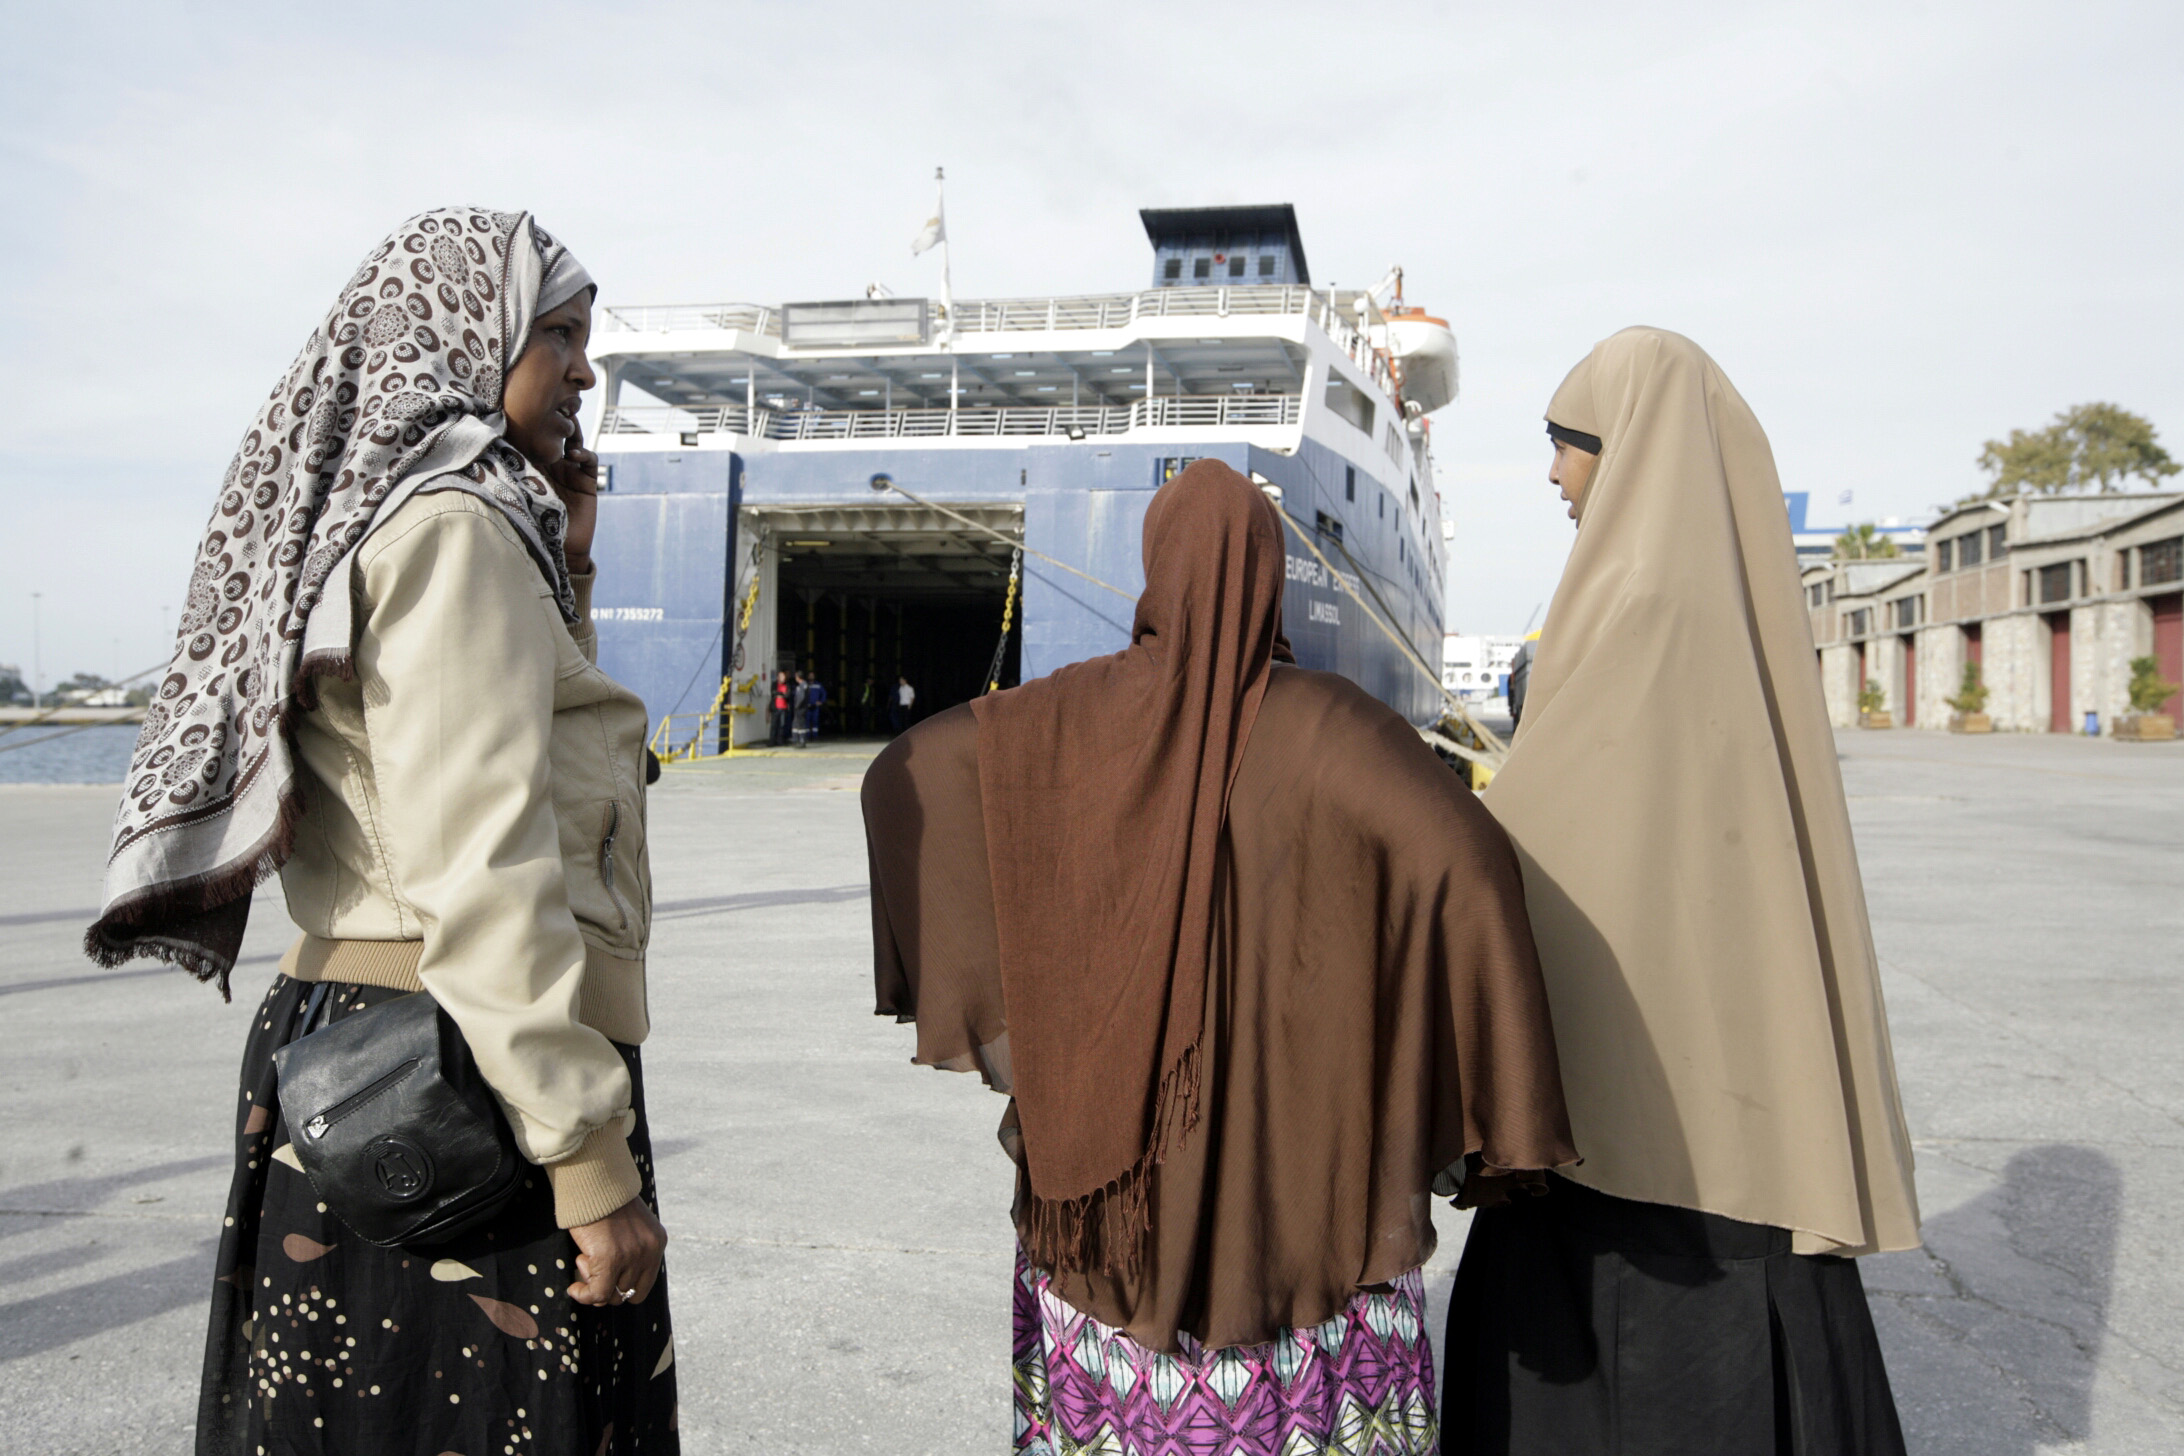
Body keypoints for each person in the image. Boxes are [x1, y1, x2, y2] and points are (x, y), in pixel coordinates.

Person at [84, 209, 676, 1455]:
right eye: (561, 334)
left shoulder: (416, 519)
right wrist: (587, 1162)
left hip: (386, 1048)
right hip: (456, 1070)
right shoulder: (455, 530)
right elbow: (483, 867)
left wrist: (567, 563)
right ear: (465, 333)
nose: (585, 369)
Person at [862, 460, 1577, 1456]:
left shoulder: (1062, 719)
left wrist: (1017, 983)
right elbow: (1474, 863)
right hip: (1305, 1198)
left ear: (1157, 566)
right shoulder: (1341, 732)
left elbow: (900, 777)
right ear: (1269, 573)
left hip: (1111, 1230)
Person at [1442, 328, 1920, 1455]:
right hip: (1738, 1074)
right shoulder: (1729, 605)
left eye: (1565, 444)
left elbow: (1552, 835)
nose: (1552, 473)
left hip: (1632, 1117)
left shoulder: (1640, 607)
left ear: (1630, 451)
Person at [769, 669, 792, 745]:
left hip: (783, 708)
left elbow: (787, 695)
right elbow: (773, 693)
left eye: (784, 676)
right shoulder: (774, 684)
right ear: (778, 677)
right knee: (774, 725)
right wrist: (782, 693)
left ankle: (780, 741)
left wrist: (780, 694)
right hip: (775, 708)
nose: (783, 678)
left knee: (782, 725)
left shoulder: (787, 685)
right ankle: (772, 741)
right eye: (781, 676)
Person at [790, 670, 811, 747]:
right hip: (800, 708)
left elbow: (801, 697)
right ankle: (795, 740)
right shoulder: (802, 685)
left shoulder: (803, 685)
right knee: (795, 724)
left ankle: (802, 741)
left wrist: (797, 705)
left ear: (798, 677)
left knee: (801, 725)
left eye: (796, 676)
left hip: (801, 708)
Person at [804, 674, 827, 742]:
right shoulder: (805, 684)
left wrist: (821, 701)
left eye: (812, 675)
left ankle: (815, 736)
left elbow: (824, 693)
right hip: (807, 706)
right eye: (810, 675)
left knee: (815, 721)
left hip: (815, 706)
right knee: (807, 722)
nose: (811, 677)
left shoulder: (818, 685)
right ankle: (807, 736)